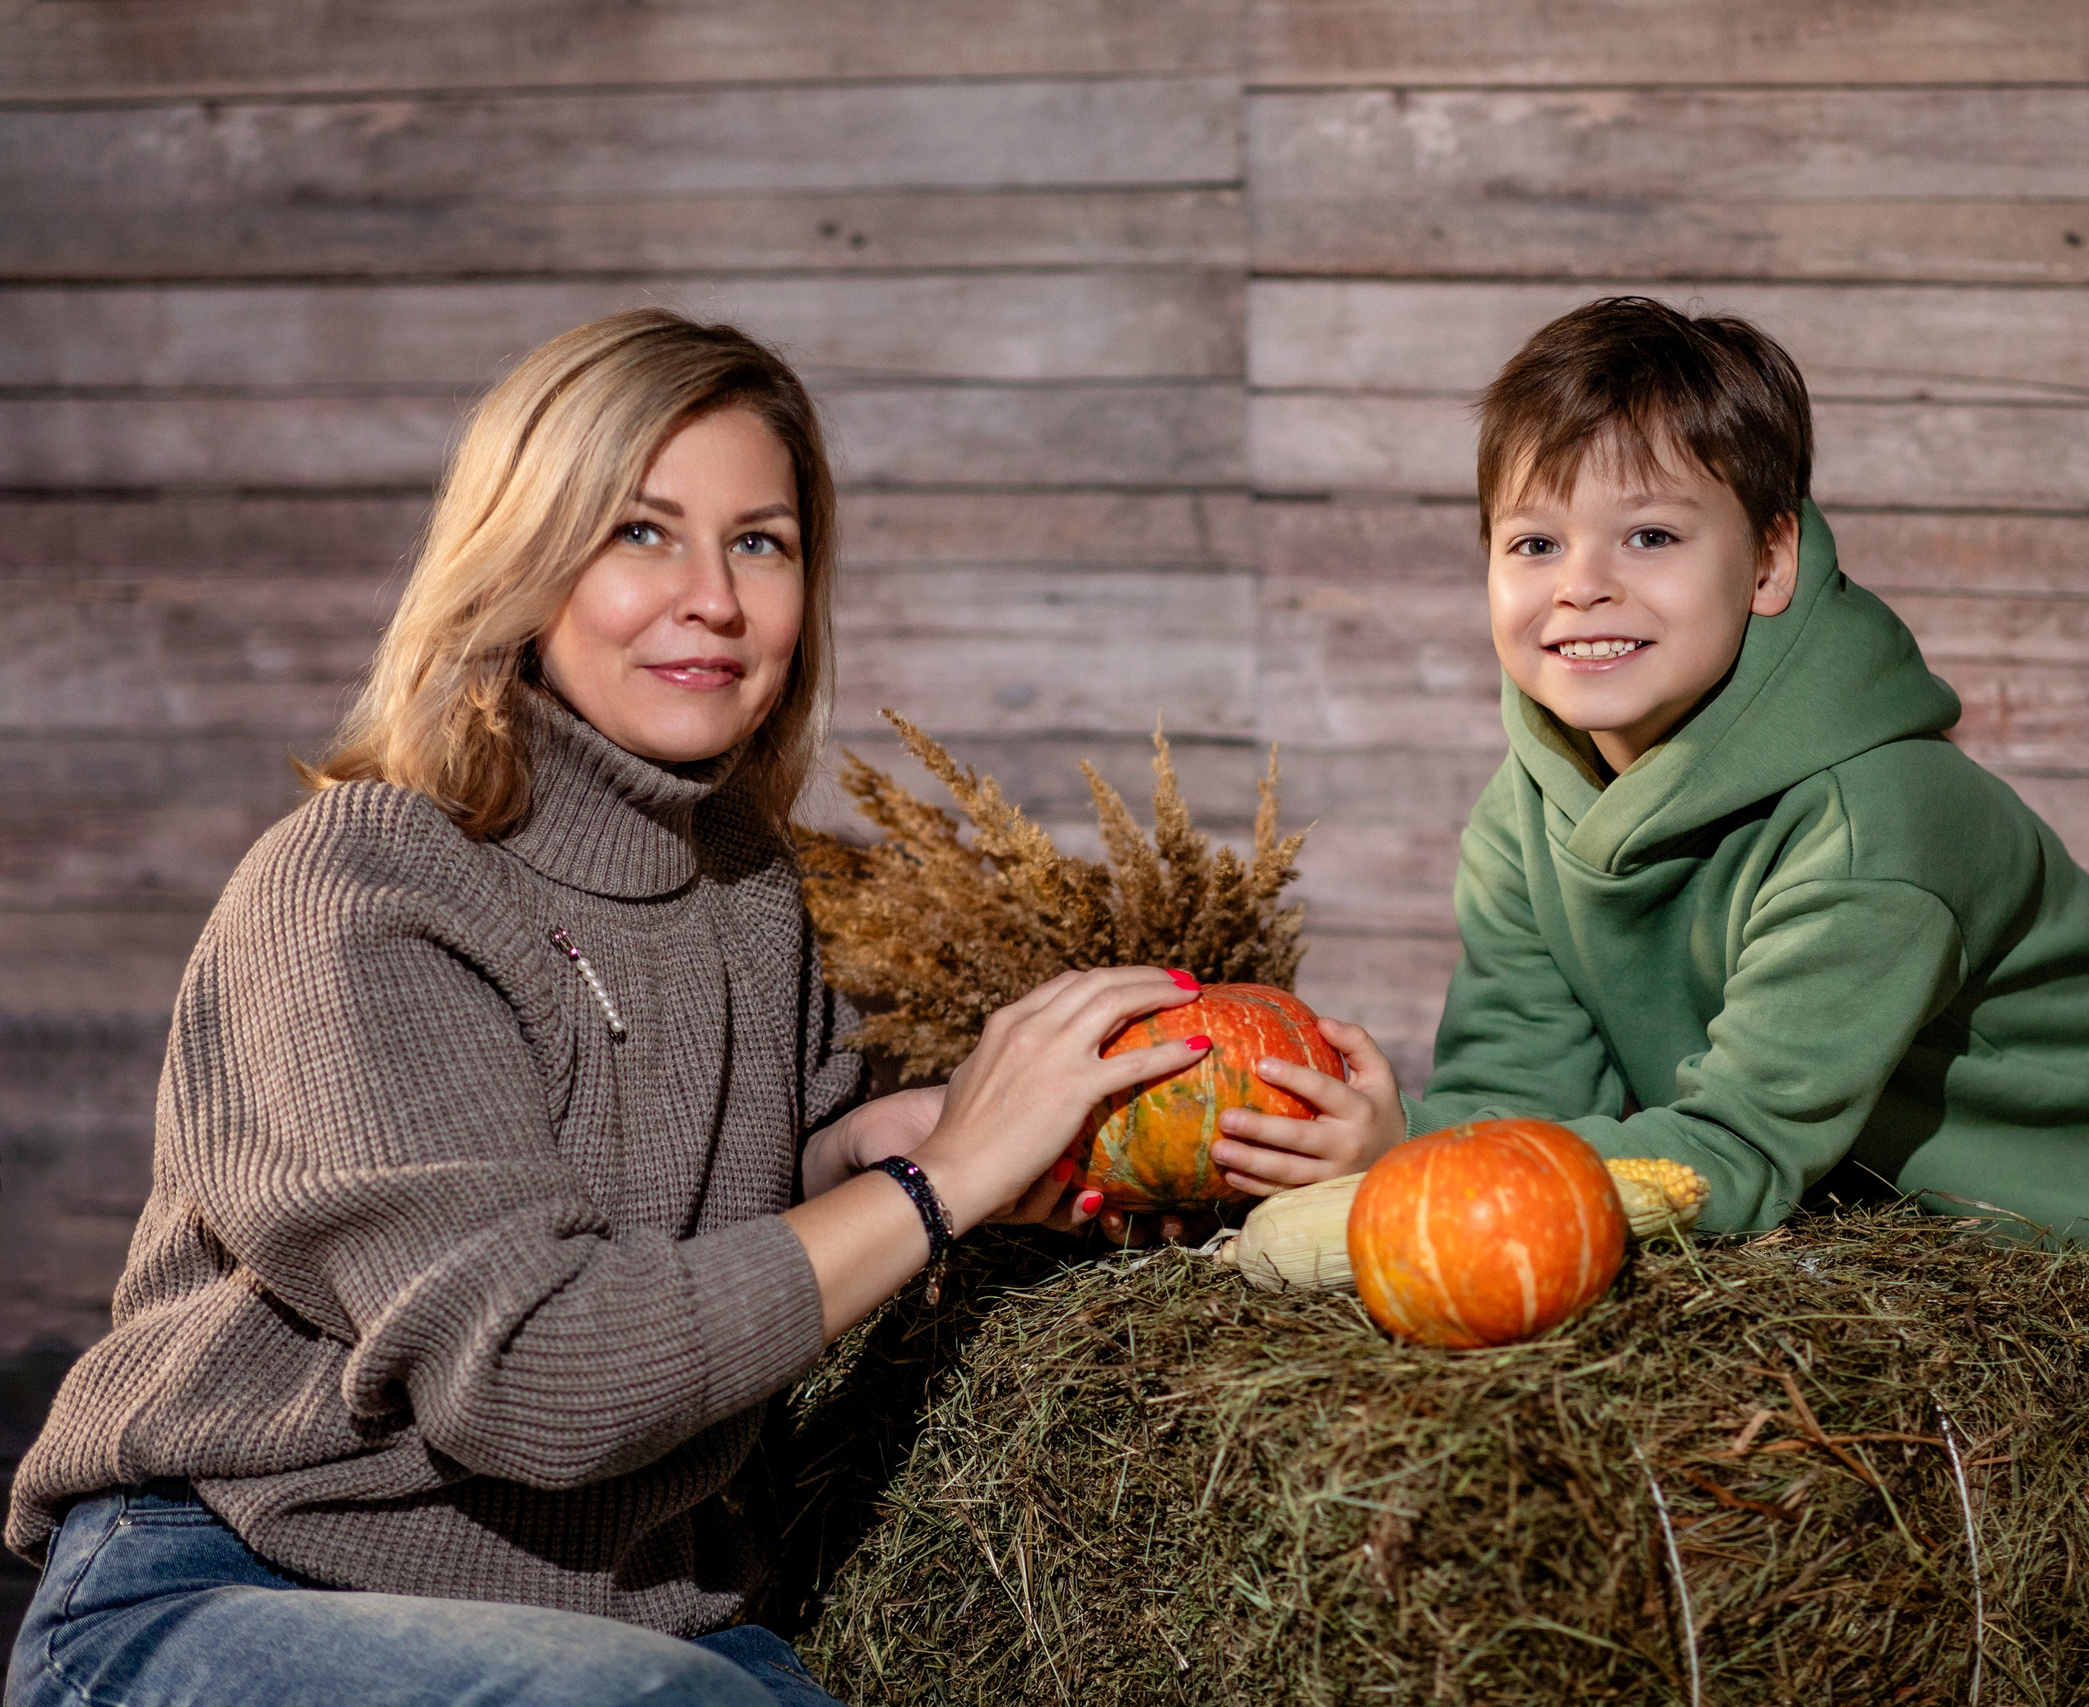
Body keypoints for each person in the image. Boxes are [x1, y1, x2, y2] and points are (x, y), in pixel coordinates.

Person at [4, 309, 1221, 1707]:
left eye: (758, 542)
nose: (713, 596)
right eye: (640, 532)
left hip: (638, 1624)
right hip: (231, 1592)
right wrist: (943, 1182)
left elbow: (789, 1168)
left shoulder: (746, 887)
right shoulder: (362, 882)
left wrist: (1057, 1128)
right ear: (522, 565)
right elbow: (538, 1372)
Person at [1220, 296, 2089, 1707]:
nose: (1581, 586)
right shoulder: (1522, 815)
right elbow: (1514, 1098)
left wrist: (1370, 1210)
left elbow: (1737, 1155)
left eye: (1650, 537)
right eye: (1534, 542)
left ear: (1771, 558)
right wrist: (1409, 1164)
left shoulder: (1876, 820)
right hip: (1911, 1226)